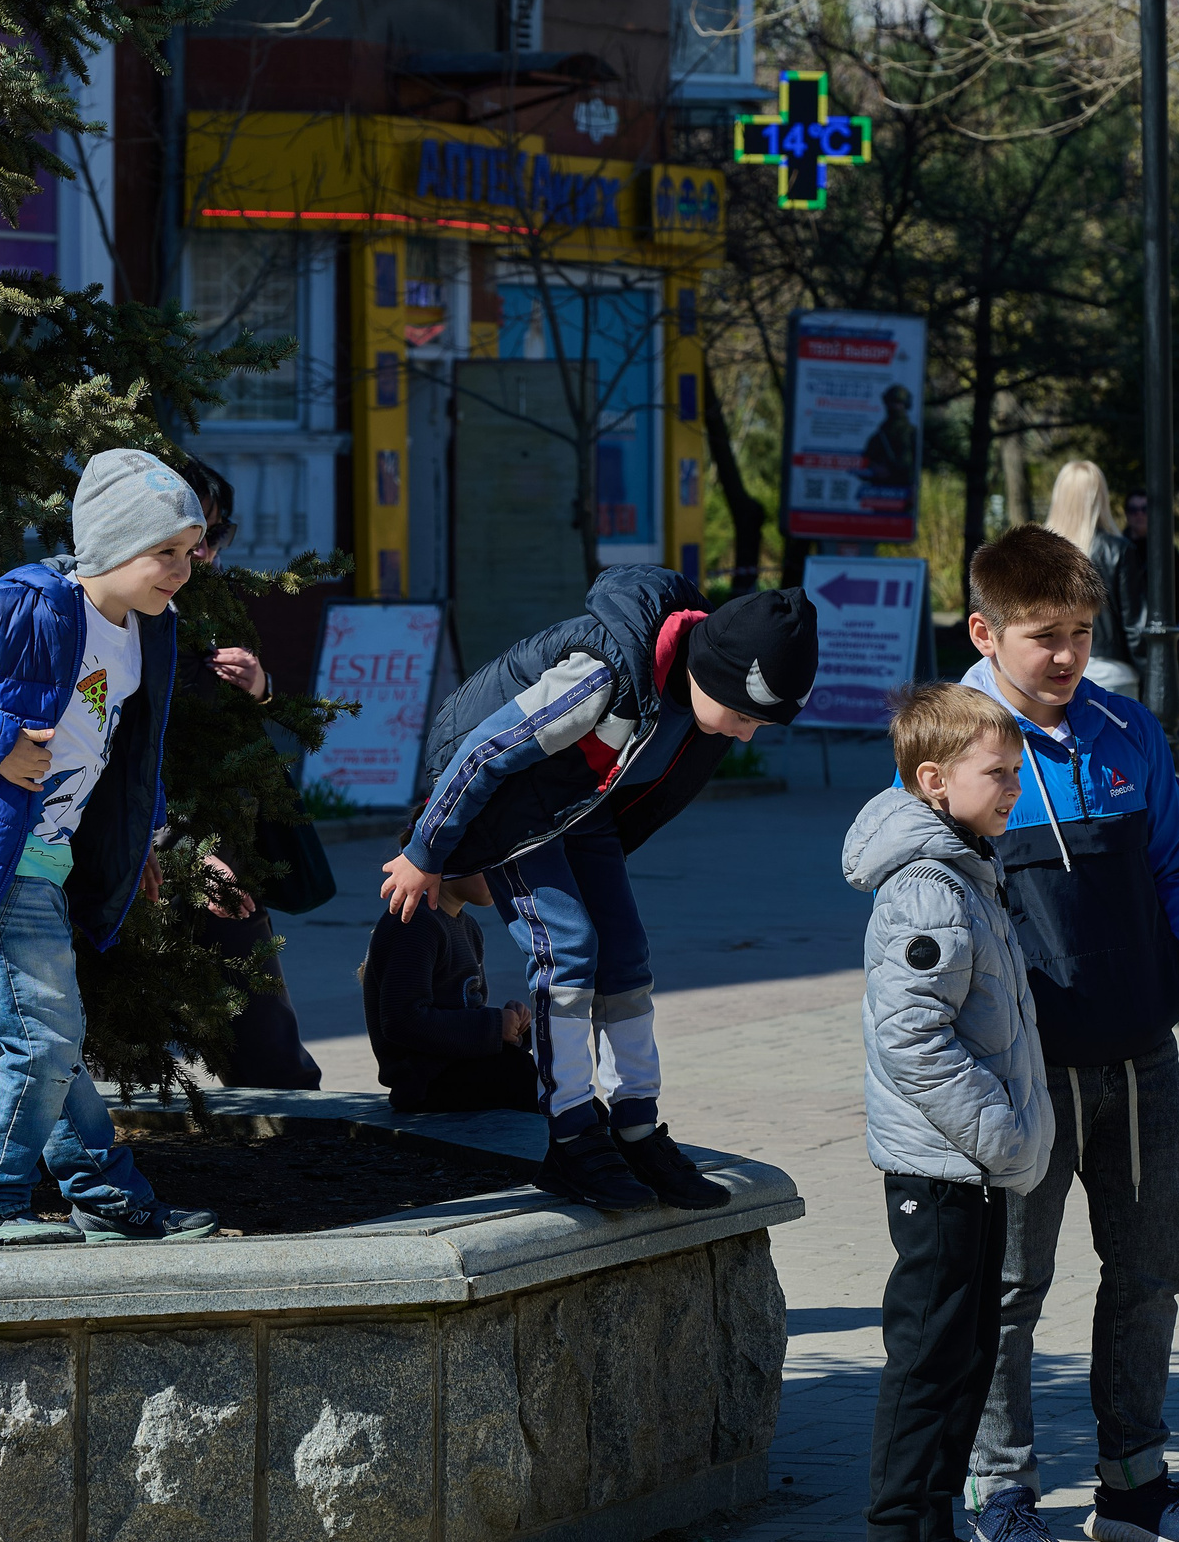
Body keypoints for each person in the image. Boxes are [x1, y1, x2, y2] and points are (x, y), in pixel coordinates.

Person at [951, 525, 1179, 1542]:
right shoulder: (955, 744)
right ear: (984, 632)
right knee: (1014, 1284)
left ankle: (1134, 1487)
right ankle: (1002, 1494)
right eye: (1041, 637)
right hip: (1020, 1076)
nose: (1066, 657)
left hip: (1136, 1057)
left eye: (1079, 633)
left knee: (1151, 1265)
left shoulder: (1123, 731)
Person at [381, 569, 821, 1210]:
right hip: (509, 813)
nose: (746, 734)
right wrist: (424, 852)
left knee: (625, 954)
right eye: (746, 715)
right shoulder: (603, 674)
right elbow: (482, 751)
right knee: (568, 946)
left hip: (581, 813)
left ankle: (636, 1127)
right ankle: (572, 1136)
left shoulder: (700, 702)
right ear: (716, 672)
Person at [0, 449, 220, 1246]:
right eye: (163, 551)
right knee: (43, 1039)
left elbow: (126, 750)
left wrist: (146, 844)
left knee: (50, 1036)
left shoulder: (147, 630)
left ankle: (106, 1197)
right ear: (108, 547)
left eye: (189, 550)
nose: (182, 568)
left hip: (47, 853)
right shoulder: (26, 607)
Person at [843, 682, 1057, 1542]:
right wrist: (1001, 1136)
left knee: (968, 1352)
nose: (1013, 786)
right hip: (942, 1168)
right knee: (928, 1360)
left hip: (971, 1167)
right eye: (997, 773)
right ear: (933, 781)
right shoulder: (926, 887)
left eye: (1016, 770)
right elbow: (915, 1040)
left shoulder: (967, 865)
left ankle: (933, 1535)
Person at [172, 455, 325, 1091]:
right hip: (164, 848)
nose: (203, 553)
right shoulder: (113, 618)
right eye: (190, 537)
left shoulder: (213, 602)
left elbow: (259, 714)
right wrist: (187, 852)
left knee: (267, 1045)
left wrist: (261, 687)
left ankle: (288, 1139)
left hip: (226, 840)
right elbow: (116, 752)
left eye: (214, 536)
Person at [362, 867, 539, 1114]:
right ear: (445, 861)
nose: (498, 873)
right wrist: (493, 1026)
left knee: (556, 1086)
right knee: (545, 1096)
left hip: (459, 1069)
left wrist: (510, 1027)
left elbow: (462, 1009)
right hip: (427, 1083)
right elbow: (401, 1020)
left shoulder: (468, 926)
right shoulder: (415, 922)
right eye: (486, 864)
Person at [1044, 460, 1145, 699]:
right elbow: (1135, 625)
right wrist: (1150, 675)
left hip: (1054, 671)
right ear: (1100, 497)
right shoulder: (1119, 550)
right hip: (1114, 672)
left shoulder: (1040, 553)